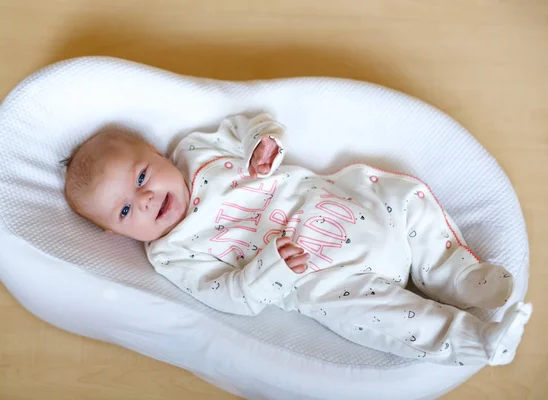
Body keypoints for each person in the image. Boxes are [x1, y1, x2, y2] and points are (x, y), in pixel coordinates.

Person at [62, 113, 532, 366]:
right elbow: (230, 297)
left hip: (346, 204)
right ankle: (475, 341)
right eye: (125, 210)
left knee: (401, 193)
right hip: (323, 276)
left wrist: (262, 144)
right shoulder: (172, 254)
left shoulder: (197, 152)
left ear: (156, 152)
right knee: (378, 316)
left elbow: (248, 124)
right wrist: (275, 268)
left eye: (141, 175)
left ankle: (458, 275)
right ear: (117, 231)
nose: (144, 199)